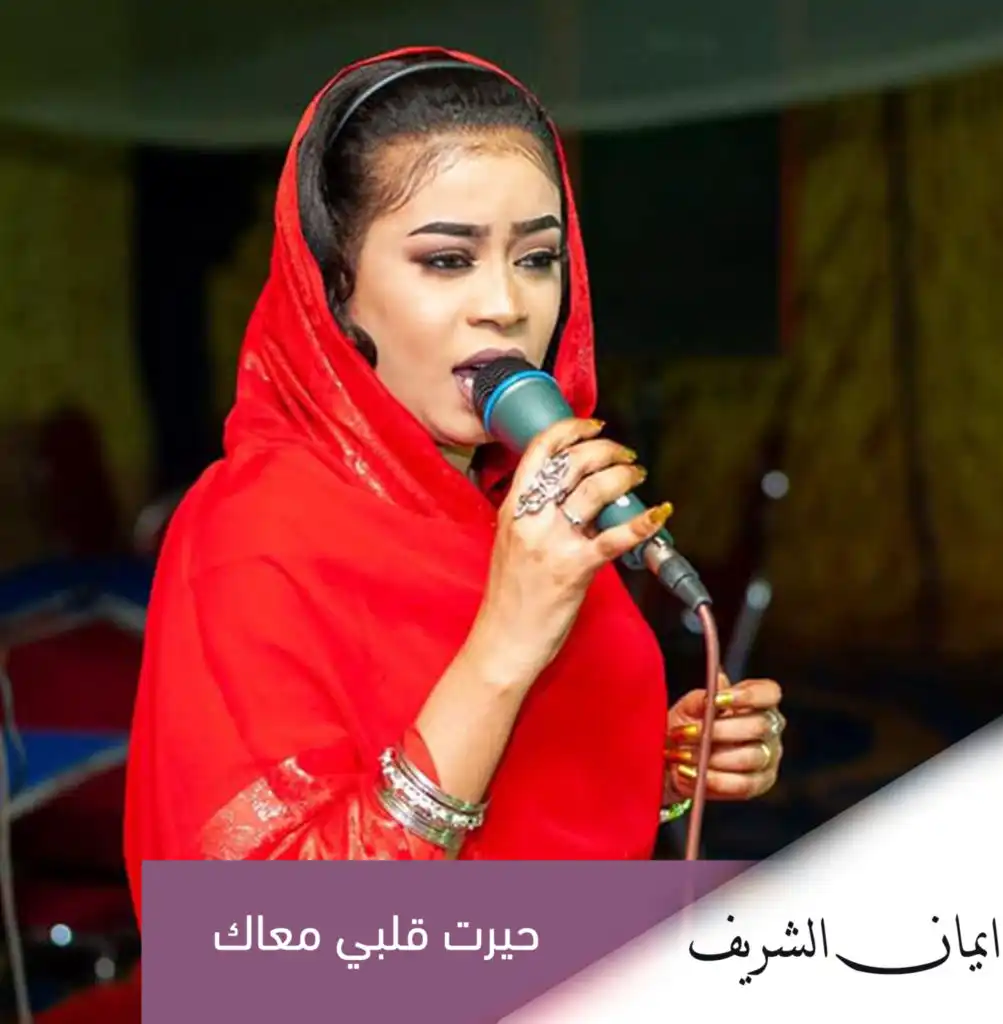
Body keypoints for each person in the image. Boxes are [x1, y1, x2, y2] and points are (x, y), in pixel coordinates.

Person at [123, 46, 786, 899]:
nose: (505, 305)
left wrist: (665, 768)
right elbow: (268, 933)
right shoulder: (251, 533)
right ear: (334, 287)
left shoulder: (521, 509)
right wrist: (505, 644)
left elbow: (527, 813)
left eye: (537, 259)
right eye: (447, 260)